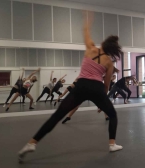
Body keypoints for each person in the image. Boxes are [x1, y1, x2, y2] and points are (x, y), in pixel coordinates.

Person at [18, 11, 123, 163]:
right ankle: (112, 144)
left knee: (57, 116)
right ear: (113, 50)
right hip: (96, 88)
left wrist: (87, 20)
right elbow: (106, 85)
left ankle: (31, 143)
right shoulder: (109, 63)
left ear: (104, 44)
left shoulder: (90, 48)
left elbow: (85, 32)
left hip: (80, 86)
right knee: (112, 115)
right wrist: (102, 102)